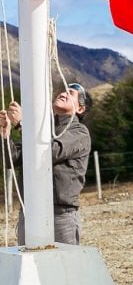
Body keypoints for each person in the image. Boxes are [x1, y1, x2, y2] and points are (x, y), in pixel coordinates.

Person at [0, 83, 92, 245]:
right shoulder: (40, 131)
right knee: (29, 267)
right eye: (62, 91)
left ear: (80, 109)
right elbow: (12, 160)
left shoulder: (79, 132)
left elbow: (49, 153)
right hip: (29, 213)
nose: (63, 93)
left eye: (70, 93)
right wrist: (5, 135)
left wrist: (22, 125)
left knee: (64, 268)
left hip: (60, 215)